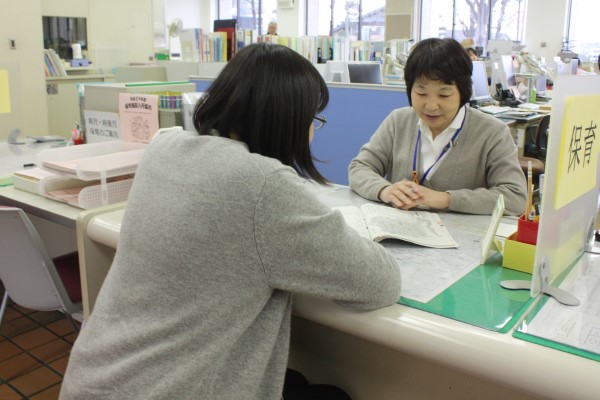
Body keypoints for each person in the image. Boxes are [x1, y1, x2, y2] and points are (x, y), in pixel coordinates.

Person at [60, 43, 401, 400]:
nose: (312, 132)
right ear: (286, 119)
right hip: (170, 390)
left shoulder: (164, 147)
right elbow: (379, 282)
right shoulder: (263, 185)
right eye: (312, 120)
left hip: (94, 379)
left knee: (298, 381)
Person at [348, 38, 527, 216]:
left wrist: (445, 199)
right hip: (399, 235)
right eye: (421, 92)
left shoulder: (492, 132)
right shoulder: (399, 121)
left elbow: (515, 197)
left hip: (463, 239)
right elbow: (360, 168)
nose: (431, 105)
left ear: (462, 92)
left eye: (444, 94)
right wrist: (384, 190)